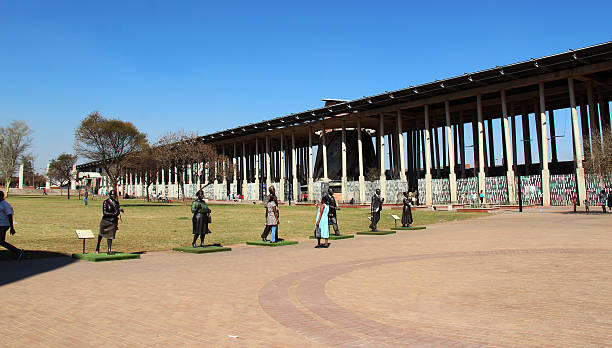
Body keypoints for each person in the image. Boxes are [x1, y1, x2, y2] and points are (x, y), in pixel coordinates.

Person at [96, 190, 123, 255]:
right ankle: (98, 246)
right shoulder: (106, 202)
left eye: (114, 195)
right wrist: (113, 214)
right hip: (106, 221)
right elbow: (105, 212)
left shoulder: (116, 203)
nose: (113, 196)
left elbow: (116, 211)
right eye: (112, 195)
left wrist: (119, 211)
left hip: (113, 221)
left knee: (110, 236)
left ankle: (109, 249)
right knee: (101, 234)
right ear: (110, 195)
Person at [0, 191, 24, 260]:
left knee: (1, 241)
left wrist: (12, 227)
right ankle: (18, 251)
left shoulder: (5, 205)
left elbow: (10, 216)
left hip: (4, 225)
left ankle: (18, 252)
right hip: (1, 224)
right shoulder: (1, 203)